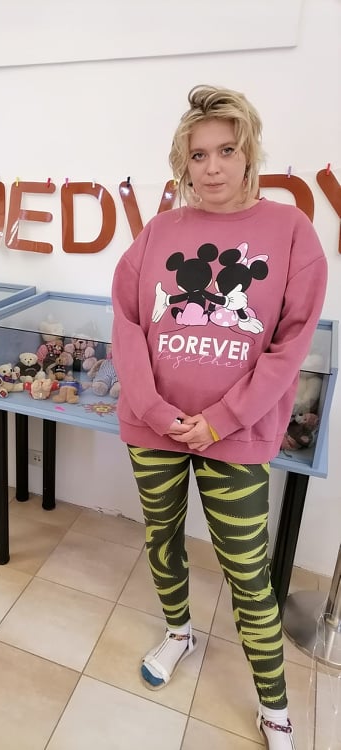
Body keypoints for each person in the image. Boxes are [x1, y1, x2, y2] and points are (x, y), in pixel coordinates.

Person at [111, 85, 327, 750]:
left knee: (246, 572)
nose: (211, 167)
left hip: (237, 437)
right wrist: (153, 409)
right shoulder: (159, 232)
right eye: (198, 154)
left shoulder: (292, 233)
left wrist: (220, 419)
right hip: (153, 429)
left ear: (249, 153)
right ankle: (178, 633)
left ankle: (273, 706)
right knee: (162, 539)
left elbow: (290, 344)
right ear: (182, 161)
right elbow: (126, 322)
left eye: (226, 150)